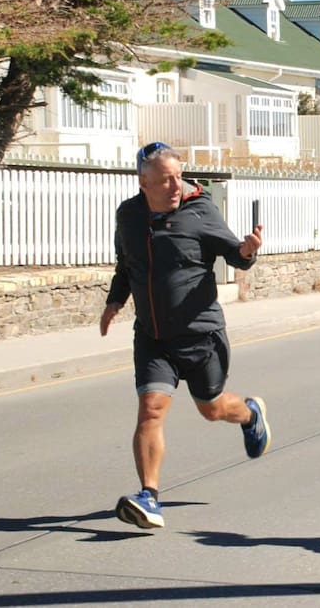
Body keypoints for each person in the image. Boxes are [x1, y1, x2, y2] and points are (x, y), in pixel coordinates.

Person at [99, 142, 270, 529]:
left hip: (200, 334)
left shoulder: (200, 210)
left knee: (211, 409)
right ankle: (149, 496)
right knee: (151, 409)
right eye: (165, 180)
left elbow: (234, 253)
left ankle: (249, 413)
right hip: (153, 338)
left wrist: (247, 251)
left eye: (178, 176)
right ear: (144, 182)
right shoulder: (128, 216)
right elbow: (126, 265)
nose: (176, 185)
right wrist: (114, 302)